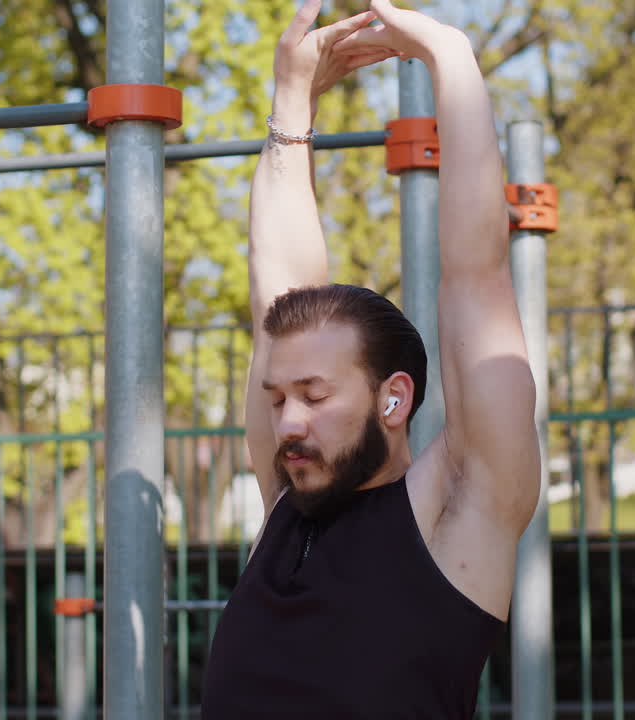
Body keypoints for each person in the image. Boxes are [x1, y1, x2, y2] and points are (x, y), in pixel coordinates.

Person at [200, 1, 541, 717]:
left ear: (394, 399)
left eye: (316, 397)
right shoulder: (285, 512)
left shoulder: (460, 510)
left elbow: (477, 277)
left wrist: (451, 61)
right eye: (278, 397)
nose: (288, 421)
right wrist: (293, 97)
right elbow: (279, 278)